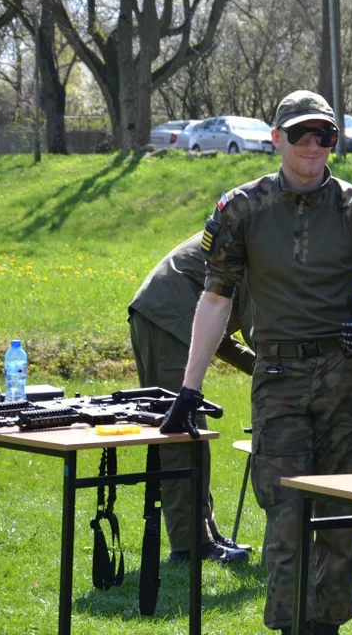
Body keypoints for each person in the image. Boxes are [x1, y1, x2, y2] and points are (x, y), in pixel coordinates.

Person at [178, 90, 352, 635]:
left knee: (339, 510)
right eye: (300, 134)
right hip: (277, 376)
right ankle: (288, 626)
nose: (312, 145)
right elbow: (215, 299)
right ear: (276, 138)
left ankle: (324, 627)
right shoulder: (241, 208)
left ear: (335, 142)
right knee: (285, 511)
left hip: (344, 376)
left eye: (323, 135)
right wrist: (188, 389)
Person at [129, 234, 255, 563]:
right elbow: (263, 329)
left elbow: (220, 330)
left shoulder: (251, 236)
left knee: (192, 436)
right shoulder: (260, 246)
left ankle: (206, 536)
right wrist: (278, 368)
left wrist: (256, 366)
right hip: (168, 320)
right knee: (184, 434)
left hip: (163, 316)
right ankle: (189, 546)